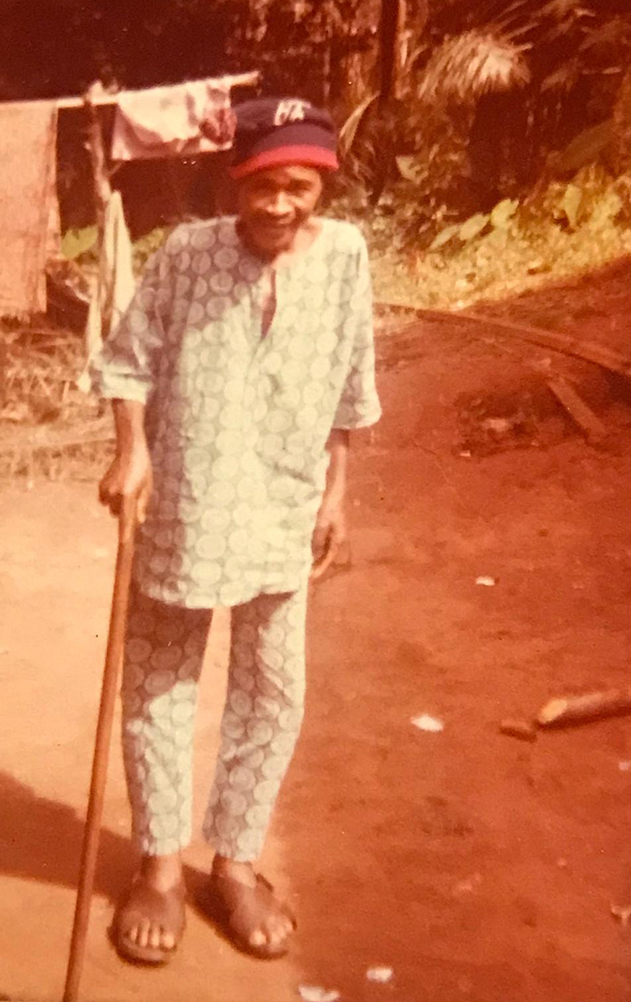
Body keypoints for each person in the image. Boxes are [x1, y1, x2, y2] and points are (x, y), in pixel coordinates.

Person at [90, 96, 381, 965]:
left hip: (285, 502)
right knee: (159, 684)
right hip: (188, 497)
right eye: (263, 188)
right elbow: (127, 360)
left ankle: (237, 863)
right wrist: (131, 451)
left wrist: (338, 491)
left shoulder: (345, 258)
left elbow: (350, 380)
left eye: (299, 188)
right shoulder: (187, 253)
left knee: (273, 687)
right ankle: (159, 868)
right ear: (235, 182)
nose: (281, 206)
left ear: (322, 185)